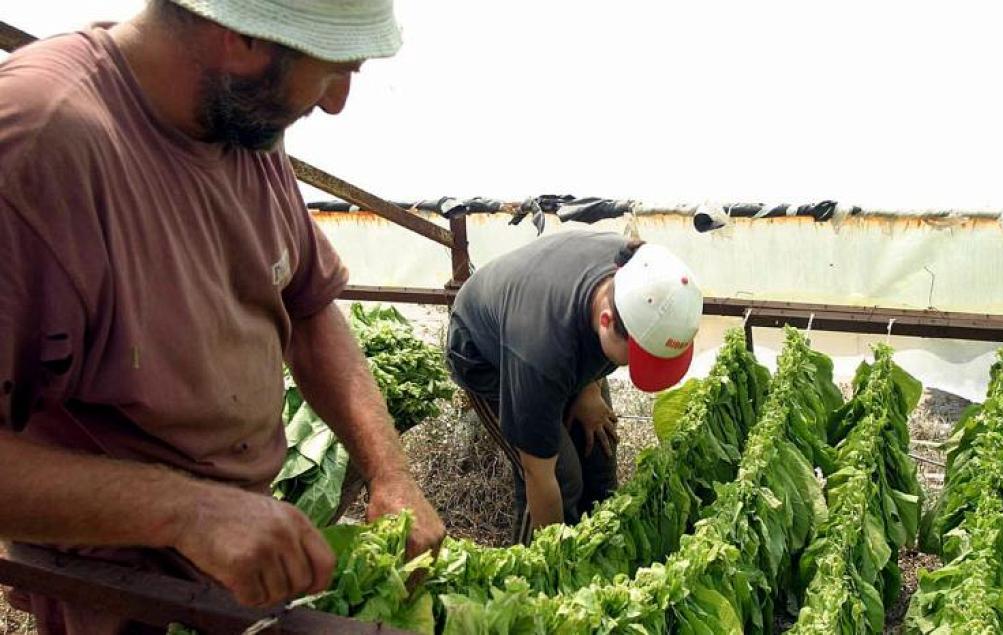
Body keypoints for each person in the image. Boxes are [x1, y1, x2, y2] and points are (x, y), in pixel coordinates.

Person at [0, 0, 445, 631]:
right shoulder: (37, 140)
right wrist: (185, 511)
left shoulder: (242, 125)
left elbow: (310, 308)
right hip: (118, 590)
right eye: (331, 70)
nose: (337, 102)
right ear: (240, 38)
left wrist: (390, 475)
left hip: (234, 568)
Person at [446, 230, 703, 544]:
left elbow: (580, 319)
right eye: (637, 356)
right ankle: (532, 570)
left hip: (550, 323)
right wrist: (557, 566)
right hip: (488, 358)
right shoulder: (539, 357)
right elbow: (538, 475)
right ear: (606, 322)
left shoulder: (642, 271)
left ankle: (602, 550)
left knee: (599, 452)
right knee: (563, 477)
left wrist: (589, 389)